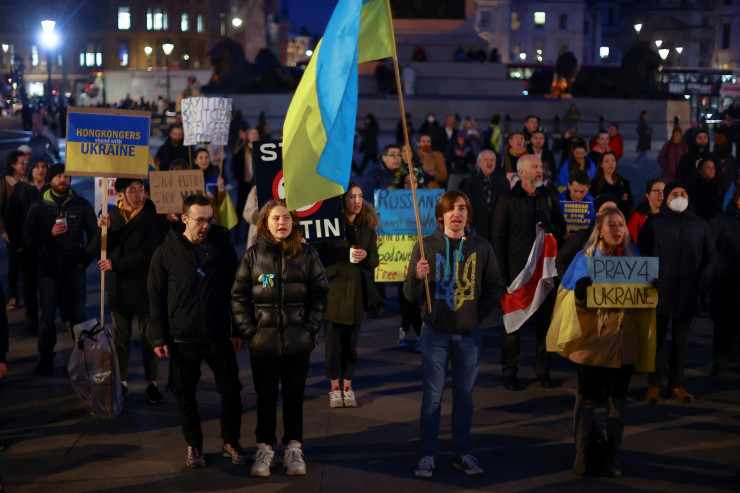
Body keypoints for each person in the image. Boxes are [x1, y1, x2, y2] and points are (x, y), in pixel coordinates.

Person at [547, 206, 657, 477]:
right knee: (586, 398)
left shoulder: (635, 257)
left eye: (621, 224)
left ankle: (611, 455)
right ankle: (583, 453)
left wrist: (654, 290)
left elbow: (643, 301)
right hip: (591, 342)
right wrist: (579, 293)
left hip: (623, 342)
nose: (617, 229)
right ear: (599, 230)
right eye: (611, 224)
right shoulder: (584, 259)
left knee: (617, 401)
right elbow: (568, 299)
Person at [404, 190, 504, 478]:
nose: (457, 214)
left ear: (468, 214)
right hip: (434, 333)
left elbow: (495, 286)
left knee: (464, 397)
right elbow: (409, 295)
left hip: (468, 335)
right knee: (432, 398)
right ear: (441, 216)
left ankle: (461, 453)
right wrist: (417, 276)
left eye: (462, 208)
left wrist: (477, 315)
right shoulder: (425, 246)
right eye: (451, 209)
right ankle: (428, 454)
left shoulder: (481, 247)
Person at [231, 200, 328, 477]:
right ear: (265, 222)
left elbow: (320, 293)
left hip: (298, 341)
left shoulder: (307, 254)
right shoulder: (253, 255)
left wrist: (310, 327)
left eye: (286, 217)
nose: (282, 223)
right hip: (264, 342)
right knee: (266, 398)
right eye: (275, 218)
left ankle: (294, 448)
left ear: (293, 221)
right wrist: (250, 330)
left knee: (295, 397)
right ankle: (265, 448)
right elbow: (238, 295)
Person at [148, 194, 246, 468]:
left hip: (218, 334)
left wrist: (238, 328)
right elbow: (155, 297)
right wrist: (158, 336)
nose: (205, 225)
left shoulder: (222, 247)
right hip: (182, 336)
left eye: (210, 220)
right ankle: (194, 444)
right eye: (200, 220)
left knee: (231, 391)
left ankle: (231, 441)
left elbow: (236, 290)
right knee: (185, 394)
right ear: (184, 219)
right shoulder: (165, 252)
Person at [492, 155, 567, 390]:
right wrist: (502, 278)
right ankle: (509, 372)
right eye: (535, 167)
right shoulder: (507, 200)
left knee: (545, 327)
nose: (540, 170)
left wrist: (551, 227)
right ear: (521, 172)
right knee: (512, 328)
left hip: (543, 275)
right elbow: (498, 241)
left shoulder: (549, 196)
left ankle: (543, 371)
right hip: (516, 277)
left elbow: (562, 228)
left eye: (541, 167)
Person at [637, 181, 716, 403]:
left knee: (681, 342)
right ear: (666, 198)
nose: (679, 196)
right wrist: (650, 279)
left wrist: (701, 282)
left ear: (689, 197)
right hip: (660, 291)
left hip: (688, 291)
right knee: (657, 341)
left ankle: (676, 385)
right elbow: (640, 252)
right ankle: (654, 385)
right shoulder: (654, 223)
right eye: (674, 193)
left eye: (683, 193)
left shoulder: (700, 224)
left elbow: (711, 257)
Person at [88, 178, 163, 403]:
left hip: (144, 286)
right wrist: (103, 229)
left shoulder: (151, 215)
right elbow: (96, 250)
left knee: (150, 338)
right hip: (119, 288)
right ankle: (122, 382)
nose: (138, 195)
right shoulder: (111, 216)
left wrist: (117, 264)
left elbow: (149, 252)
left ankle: (152, 382)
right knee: (120, 339)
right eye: (132, 191)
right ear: (120, 193)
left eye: (141, 190)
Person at [23, 165, 97, 375]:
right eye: (59, 176)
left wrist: (85, 260)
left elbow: (95, 234)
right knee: (47, 318)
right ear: (50, 180)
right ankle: (45, 359)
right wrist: (50, 234)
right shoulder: (39, 207)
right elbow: (28, 240)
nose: (64, 180)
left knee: (78, 315)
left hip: (74, 269)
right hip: (49, 272)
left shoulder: (80, 204)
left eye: (67, 176)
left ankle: (84, 359)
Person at [315, 184, 379, 408]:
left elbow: (374, 262)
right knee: (332, 345)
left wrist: (366, 255)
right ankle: (334, 387)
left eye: (360, 196)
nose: (357, 201)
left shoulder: (367, 227)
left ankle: (348, 386)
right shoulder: (331, 225)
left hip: (356, 295)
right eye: (352, 196)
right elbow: (318, 257)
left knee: (351, 345)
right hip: (334, 291)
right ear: (343, 200)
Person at [6, 157, 48, 332]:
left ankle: (47, 320)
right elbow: (11, 218)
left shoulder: (51, 189)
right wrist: (18, 245)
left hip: (48, 247)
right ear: (31, 170)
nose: (40, 170)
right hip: (27, 247)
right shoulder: (20, 189)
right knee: (29, 285)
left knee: (48, 285)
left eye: (43, 166)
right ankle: (32, 320)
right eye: (37, 167)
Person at [709, 185, 740, 375]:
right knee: (724, 324)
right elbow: (710, 252)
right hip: (726, 281)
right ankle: (720, 359)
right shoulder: (720, 222)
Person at [459, 150, 509, 240]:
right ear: (479, 162)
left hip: (498, 232)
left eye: (492, 160)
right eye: (486, 160)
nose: (489, 163)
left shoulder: (504, 183)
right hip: (476, 232)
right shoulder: (468, 183)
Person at [1, 151, 29, 311]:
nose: (25, 165)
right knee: (14, 265)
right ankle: (13, 296)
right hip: (12, 233)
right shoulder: (5, 184)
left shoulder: (28, 182)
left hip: (29, 231)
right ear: (13, 165)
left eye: (26, 162)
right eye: (22, 163)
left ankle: (28, 295)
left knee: (29, 266)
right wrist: (4, 232)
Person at [590, 152, 633, 216]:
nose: (611, 163)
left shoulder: (623, 182)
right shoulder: (595, 183)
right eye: (607, 161)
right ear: (601, 165)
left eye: (613, 160)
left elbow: (629, 205)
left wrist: (623, 201)